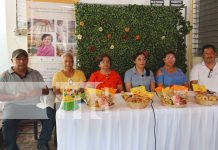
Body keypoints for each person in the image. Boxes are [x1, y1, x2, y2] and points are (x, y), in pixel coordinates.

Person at [0, 49, 55, 150]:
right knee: (7, 122)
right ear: (12, 60)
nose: (22, 61)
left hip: (34, 105)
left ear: (27, 60)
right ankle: (11, 147)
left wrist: (38, 92)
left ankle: (42, 143)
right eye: (18, 59)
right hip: (13, 106)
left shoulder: (35, 73)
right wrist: (14, 97)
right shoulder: (5, 76)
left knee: (51, 113)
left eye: (24, 58)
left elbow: (46, 90)